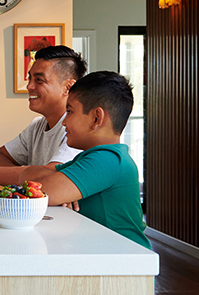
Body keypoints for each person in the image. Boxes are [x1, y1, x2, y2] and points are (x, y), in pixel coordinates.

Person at [19, 71, 151, 249]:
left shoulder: (108, 159)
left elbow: (45, 190)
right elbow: (41, 176)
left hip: (124, 267)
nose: (64, 122)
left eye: (70, 112)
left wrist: (58, 188)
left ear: (97, 117)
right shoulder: (89, 157)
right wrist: (59, 186)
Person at [0, 45, 86, 185]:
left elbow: (51, 178)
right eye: (29, 78)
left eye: (39, 80)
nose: (29, 86)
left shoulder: (77, 129)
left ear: (68, 87)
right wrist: (30, 176)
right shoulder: (37, 125)